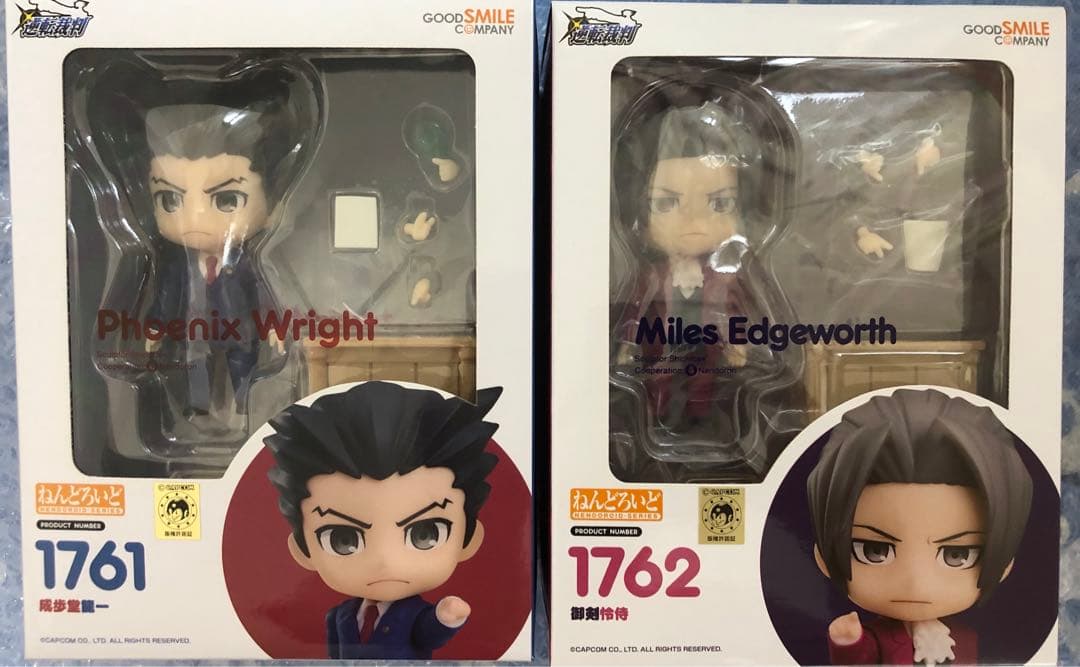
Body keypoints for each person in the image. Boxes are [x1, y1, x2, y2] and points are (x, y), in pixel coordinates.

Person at [264, 381, 500, 660]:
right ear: (302, 550)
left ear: (468, 539)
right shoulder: (338, 616)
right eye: (343, 540)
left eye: (424, 534)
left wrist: (446, 617)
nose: (384, 559)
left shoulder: (415, 614)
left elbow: (429, 632)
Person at [806, 388, 1033, 666]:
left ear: (1004, 565)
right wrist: (847, 641)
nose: (916, 582)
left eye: (957, 555)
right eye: (874, 551)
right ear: (824, 557)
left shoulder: (964, 638)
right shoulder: (876, 638)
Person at [142, 104, 286, 419]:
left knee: (243, 368)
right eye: (170, 199)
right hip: (194, 332)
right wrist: (155, 326)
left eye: (227, 199)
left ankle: (246, 406)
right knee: (195, 366)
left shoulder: (248, 262)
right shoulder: (179, 267)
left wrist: (274, 325)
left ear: (273, 206)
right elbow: (166, 297)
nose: (196, 218)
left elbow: (263, 292)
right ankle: (196, 410)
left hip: (240, 332)